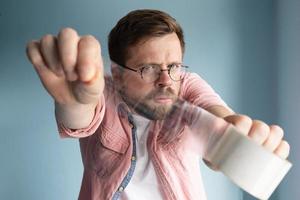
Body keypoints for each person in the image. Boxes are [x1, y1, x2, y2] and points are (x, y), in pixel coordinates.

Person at [26, 9, 290, 200]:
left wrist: (236, 138)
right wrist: (72, 102)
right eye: (148, 68)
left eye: (173, 66)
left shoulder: (186, 84)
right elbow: (80, 116)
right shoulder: (101, 90)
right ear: (117, 74)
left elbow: (218, 116)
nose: (166, 80)